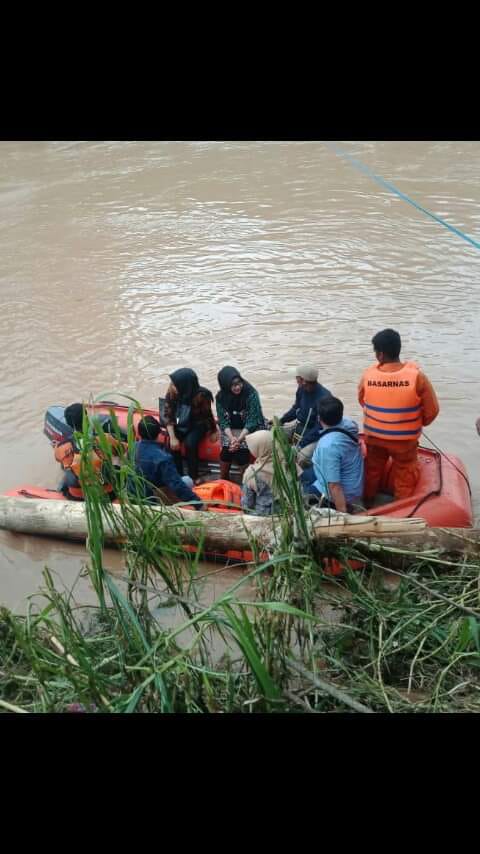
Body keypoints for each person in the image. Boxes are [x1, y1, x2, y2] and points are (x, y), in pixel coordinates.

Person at [358, 328, 440, 502]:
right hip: (404, 443)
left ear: (380, 354)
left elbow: (362, 401)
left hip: (374, 438)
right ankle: (401, 508)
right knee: (405, 474)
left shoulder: (368, 375)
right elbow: (432, 412)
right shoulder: (417, 377)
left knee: (372, 471)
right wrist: (415, 421)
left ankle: (367, 501)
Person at [301, 396, 364, 513]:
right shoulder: (349, 424)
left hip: (345, 495)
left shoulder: (328, 446)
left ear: (319, 418)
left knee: (302, 491)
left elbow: (334, 485)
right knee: (304, 475)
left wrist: (343, 514)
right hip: (352, 482)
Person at [128, 416, 204, 509]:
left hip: (132, 494)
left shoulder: (131, 448)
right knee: (188, 480)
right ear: (158, 433)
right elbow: (177, 485)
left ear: (139, 433)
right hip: (152, 499)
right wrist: (198, 503)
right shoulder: (163, 458)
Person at [164, 368, 216, 485]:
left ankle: (193, 475)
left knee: (190, 443)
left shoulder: (202, 395)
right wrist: (173, 437)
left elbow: (207, 415)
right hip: (179, 420)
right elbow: (169, 416)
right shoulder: (172, 392)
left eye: (174, 385)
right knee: (171, 443)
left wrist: (213, 430)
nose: (171, 387)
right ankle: (179, 475)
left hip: (197, 423)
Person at [54, 403, 117, 500]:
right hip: (106, 494)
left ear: (68, 423)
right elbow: (121, 450)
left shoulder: (61, 447)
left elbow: (58, 459)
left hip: (76, 495)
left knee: (66, 468)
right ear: (87, 418)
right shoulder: (103, 439)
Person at [215, 366, 266, 482]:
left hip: (249, 428)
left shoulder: (251, 394)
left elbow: (253, 420)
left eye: (239, 383)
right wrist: (232, 438)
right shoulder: (220, 397)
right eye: (233, 385)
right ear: (226, 385)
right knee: (225, 453)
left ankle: (247, 482)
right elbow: (223, 421)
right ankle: (224, 479)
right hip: (231, 430)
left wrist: (239, 439)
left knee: (241, 454)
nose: (238, 387)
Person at [279, 365, 332, 467]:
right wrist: (281, 420)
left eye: (297, 378)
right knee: (275, 435)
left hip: (316, 434)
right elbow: (296, 408)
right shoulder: (301, 389)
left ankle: (302, 477)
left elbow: (320, 427)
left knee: (302, 457)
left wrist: (301, 444)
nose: (296, 380)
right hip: (300, 425)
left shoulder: (324, 398)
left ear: (303, 381)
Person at [241, 430, 300, 516]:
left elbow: (247, 505)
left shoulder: (253, 472)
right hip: (289, 515)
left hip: (262, 518)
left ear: (258, 449)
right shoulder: (289, 464)